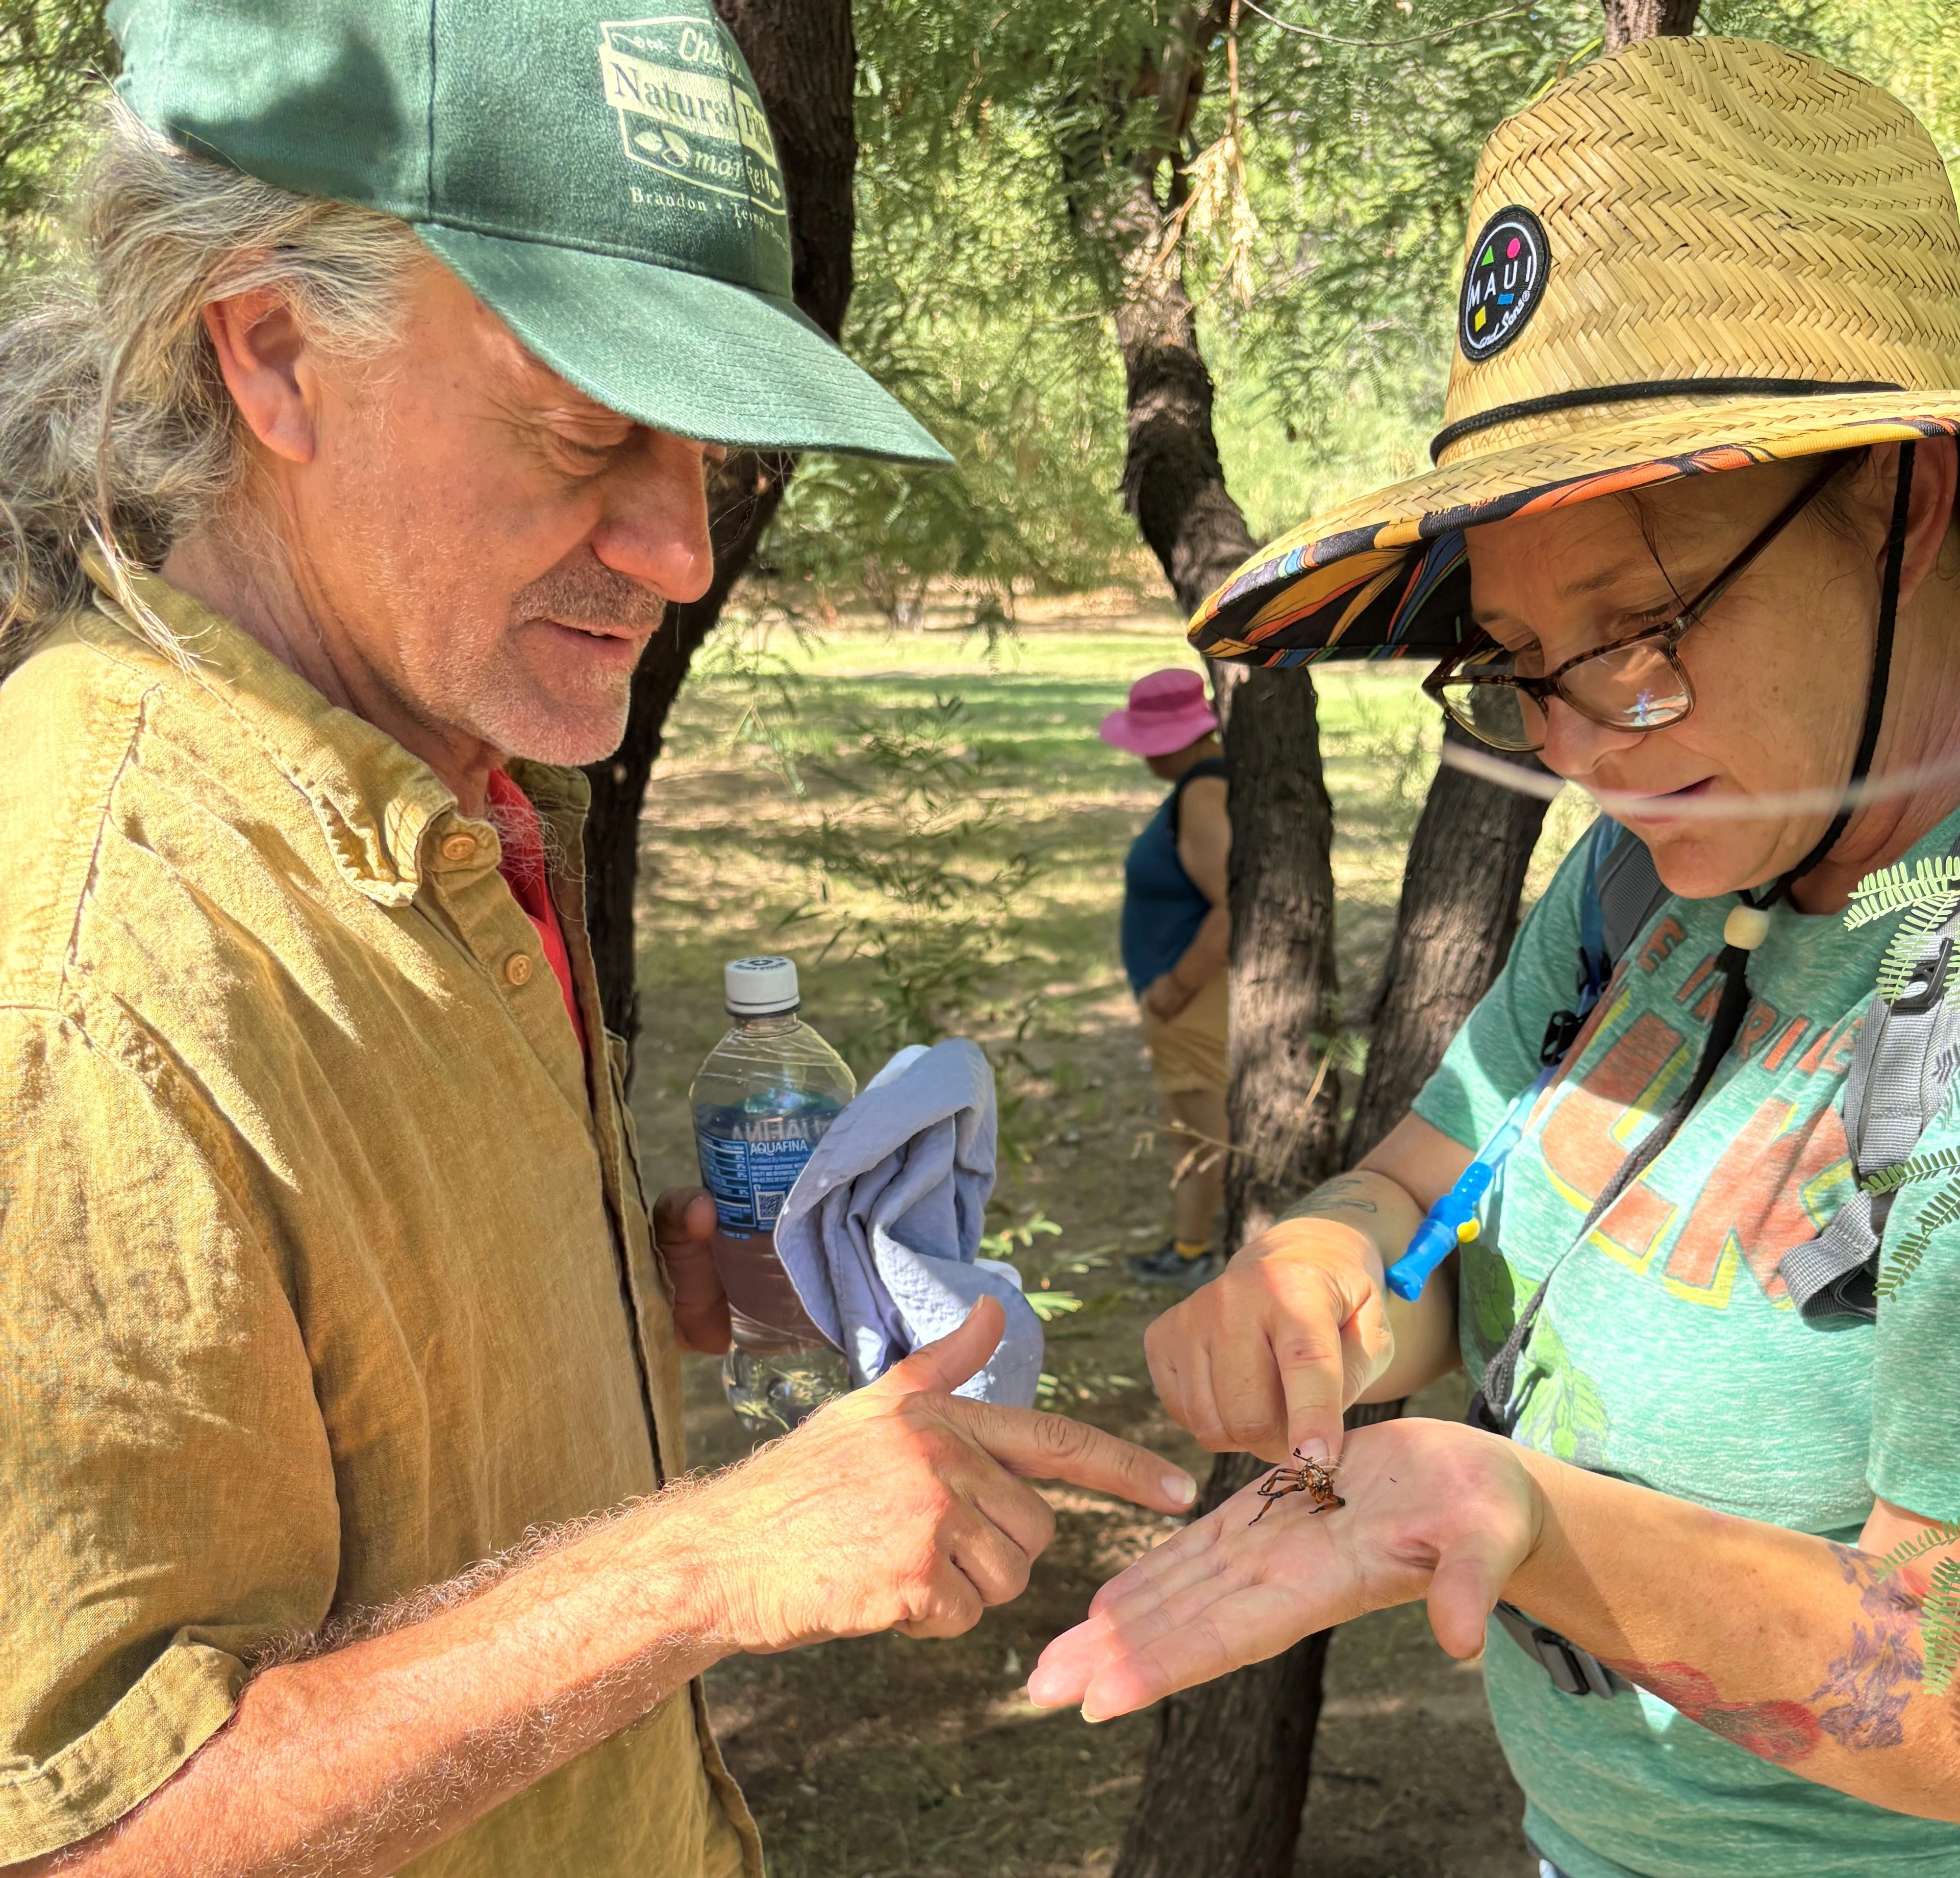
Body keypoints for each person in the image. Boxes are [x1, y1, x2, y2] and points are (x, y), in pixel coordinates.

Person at [0, 6, 1198, 1875]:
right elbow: (94, 1831)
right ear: (275, 353)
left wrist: (636, 1295)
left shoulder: (448, 790)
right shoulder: (95, 957)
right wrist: (710, 1559)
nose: (682, 548)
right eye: (586, 432)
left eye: (707, 449)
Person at [1033, 37, 1960, 1878]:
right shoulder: (1653, 876)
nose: (1574, 744)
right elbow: (1449, 1184)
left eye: (1638, 637)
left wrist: (1513, 1513)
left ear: (1896, 497)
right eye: (1514, 665)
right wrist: (1334, 1264)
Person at [1100, 669, 1233, 1287]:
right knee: (1190, 1126)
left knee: (1200, 1133)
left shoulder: (1204, 794)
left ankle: (1195, 1253)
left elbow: (1230, 905)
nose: (1144, 756)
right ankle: (1190, 1245)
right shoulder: (1201, 786)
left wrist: (1175, 988)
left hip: (1193, 997)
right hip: (1183, 997)